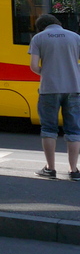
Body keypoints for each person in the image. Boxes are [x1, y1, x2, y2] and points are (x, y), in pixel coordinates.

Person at [28, 13, 80, 180]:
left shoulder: (39, 38)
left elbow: (34, 66)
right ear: (58, 23)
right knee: (73, 130)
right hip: (73, 88)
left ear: (41, 27)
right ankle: (74, 171)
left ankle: (50, 169)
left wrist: (49, 73)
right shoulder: (75, 37)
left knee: (49, 129)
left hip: (49, 89)